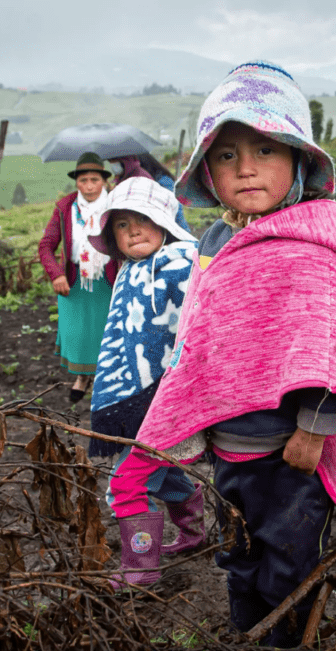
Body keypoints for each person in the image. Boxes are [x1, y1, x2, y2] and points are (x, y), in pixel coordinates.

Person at [116, 62, 336, 647]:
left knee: (289, 561)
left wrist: (313, 431)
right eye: (227, 154)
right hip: (229, 449)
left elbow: (331, 343)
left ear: (299, 161)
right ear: (207, 172)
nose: (245, 168)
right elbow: (206, 335)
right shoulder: (217, 242)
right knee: (237, 551)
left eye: (264, 149)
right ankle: (245, 643)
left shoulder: (314, 245)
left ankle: (287, 648)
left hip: (289, 456)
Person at [81, 177, 206, 592]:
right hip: (134, 400)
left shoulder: (184, 262)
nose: (133, 230)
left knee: (127, 482)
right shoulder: (130, 272)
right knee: (161, 471)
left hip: (165, 399)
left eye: (143, 220)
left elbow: (200, 327)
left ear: (165, 221)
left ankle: (140, 569)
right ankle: (194, 533)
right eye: (122, 225)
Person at [38, 152, 121, 402]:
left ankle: (103, 379)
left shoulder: (116, 204)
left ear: (104, 181)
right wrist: (56, 274)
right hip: (74, 280)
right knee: (79, 333)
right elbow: (46, 246)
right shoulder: (65, 208)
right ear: (76, 182)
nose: (89, 186)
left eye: (94, 180)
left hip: (109, 279)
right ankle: (83, 378)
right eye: (83, 180)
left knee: (106, 331)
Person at [108, 153, 191, 233]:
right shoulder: (128, 178)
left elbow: (175, 210)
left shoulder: (162, 181)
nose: (113, 166)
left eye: (116, 161)